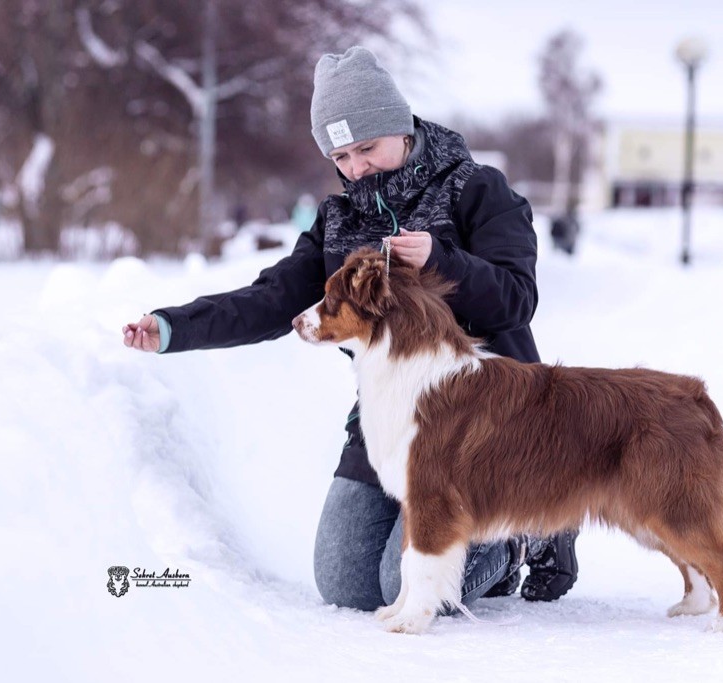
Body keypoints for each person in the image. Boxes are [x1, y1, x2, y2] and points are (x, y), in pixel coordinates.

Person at [122, 46, 578, 611]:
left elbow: (516, 300)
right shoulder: (337, 221)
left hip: (483, 420)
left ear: (402, 128)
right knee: (345, 580)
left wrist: (441, 259)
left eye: (367, 147)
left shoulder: (477, 190)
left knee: (401, 584)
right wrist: (171, 327)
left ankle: (522, 531)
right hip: (391, 416)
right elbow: (272, 298)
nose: (356, 167)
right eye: (340, 155)